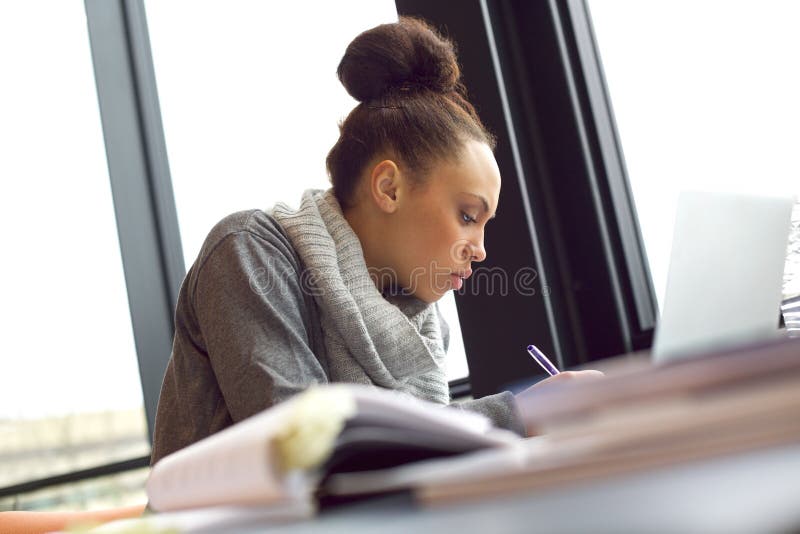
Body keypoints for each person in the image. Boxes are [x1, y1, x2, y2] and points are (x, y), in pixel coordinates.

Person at [150, 16, 601, 465]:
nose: (480, 249)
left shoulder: (421, 326)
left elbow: (410, 457)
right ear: (388, 188)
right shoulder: (247, 253)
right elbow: (309, 450)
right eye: (467, 215)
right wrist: (520, 413)